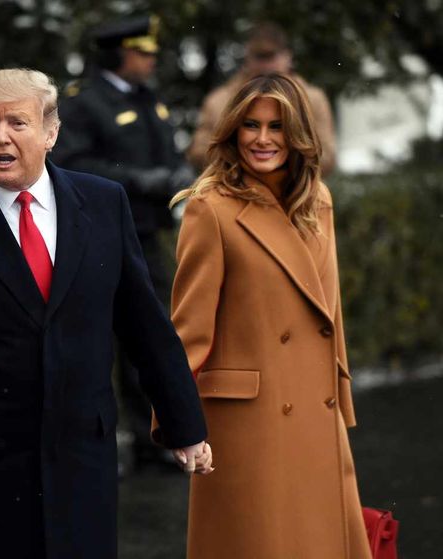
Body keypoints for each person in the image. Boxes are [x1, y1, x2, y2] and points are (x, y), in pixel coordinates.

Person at [0, 68, 211, 559]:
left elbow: (144, 326)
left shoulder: (103, 204)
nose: (0, 137)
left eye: (17, 123)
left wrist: (184, 424)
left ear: (51, 132)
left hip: (81, 462)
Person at [162, 73, 371, 558]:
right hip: (248, 427)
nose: (262, 139)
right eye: (250, 125)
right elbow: (189, 330)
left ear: (297, 133)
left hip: (317, 414)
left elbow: (329, 314)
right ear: (232, 131)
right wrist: (178, 422)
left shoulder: (318, 200)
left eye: (277, 127)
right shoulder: (209, 209)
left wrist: (340, 399)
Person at [52, 15, 197, 470]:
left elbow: (167, 152)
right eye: (143, 51)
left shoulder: (147, 98)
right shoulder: (83, 102)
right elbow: (73, 163)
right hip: (98, 235)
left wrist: (176, 177)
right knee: (95, 340)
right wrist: (141, 179)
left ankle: (150, 436)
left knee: (149, 333)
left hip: (147, 232)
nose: (151, 60)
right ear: (119, 52)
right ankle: (95, 440)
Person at [188, 21, 337, 176]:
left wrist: (278, 164)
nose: (265, 65)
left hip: (297, 194)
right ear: (247, 57)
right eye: (259, 57)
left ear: (288, 57)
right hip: (233, 191)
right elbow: (198, 153)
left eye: (271, 56)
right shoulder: (219, 100)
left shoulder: (313, 99)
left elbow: (327, 157)